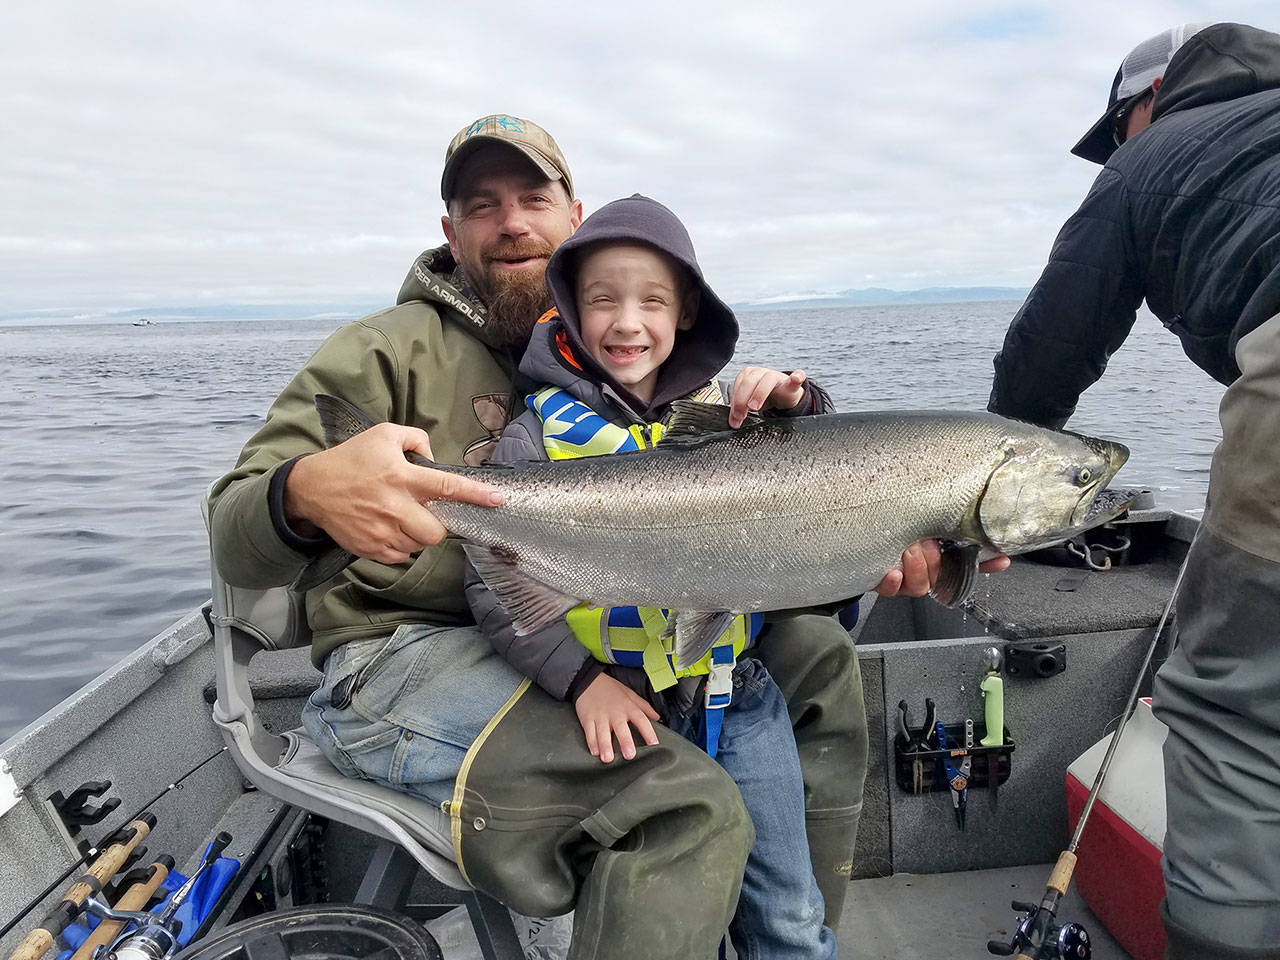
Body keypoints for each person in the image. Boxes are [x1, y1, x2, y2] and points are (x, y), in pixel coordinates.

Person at [209, 113, 979, 958]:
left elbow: (740, 522)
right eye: (481, 205)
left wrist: (876, 534)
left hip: (590, 609)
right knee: (681, 806)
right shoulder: (379, 353)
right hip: (411, 652)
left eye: (533, 198)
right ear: (449, 231)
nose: (511, 223)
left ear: (575, 217)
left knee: (818, 661)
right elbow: (234, 531)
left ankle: (784, 932)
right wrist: (301, 492)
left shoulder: (638, 361)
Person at [468, 193, 838, 958]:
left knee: (792, 917)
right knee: (672, 923)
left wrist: (801, 402)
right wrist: (578, 681)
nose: (627, 322)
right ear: (570, 310)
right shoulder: (531, 440)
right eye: (602, 300)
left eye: (652, 301)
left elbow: (832, 473)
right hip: (615, 712)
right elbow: (491, 588)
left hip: (741, 700)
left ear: (687, 312)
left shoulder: (733, 419)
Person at [987, 24, 1280, 960]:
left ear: (1148, 103)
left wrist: (987, 496)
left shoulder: (1147, 161)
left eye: (1117, 129)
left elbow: (1049, 354)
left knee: (1235, 715)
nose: (1117, 150)